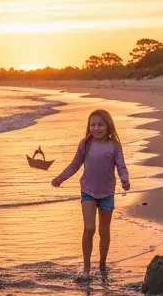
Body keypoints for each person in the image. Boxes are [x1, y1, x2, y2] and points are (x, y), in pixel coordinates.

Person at [52, 109, 130, 279]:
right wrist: (60, 178)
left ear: (108, 126)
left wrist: (125, 179)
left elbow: (121, 165)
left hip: (107, 193)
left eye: (100, 125)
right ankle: (86, 265)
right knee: (89, 227)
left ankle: (102, 262)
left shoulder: (114, 146)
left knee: (104, 231)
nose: (96, 128)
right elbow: (75, 165)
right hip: (88, 191)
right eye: (93, 125)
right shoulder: (85, 144)